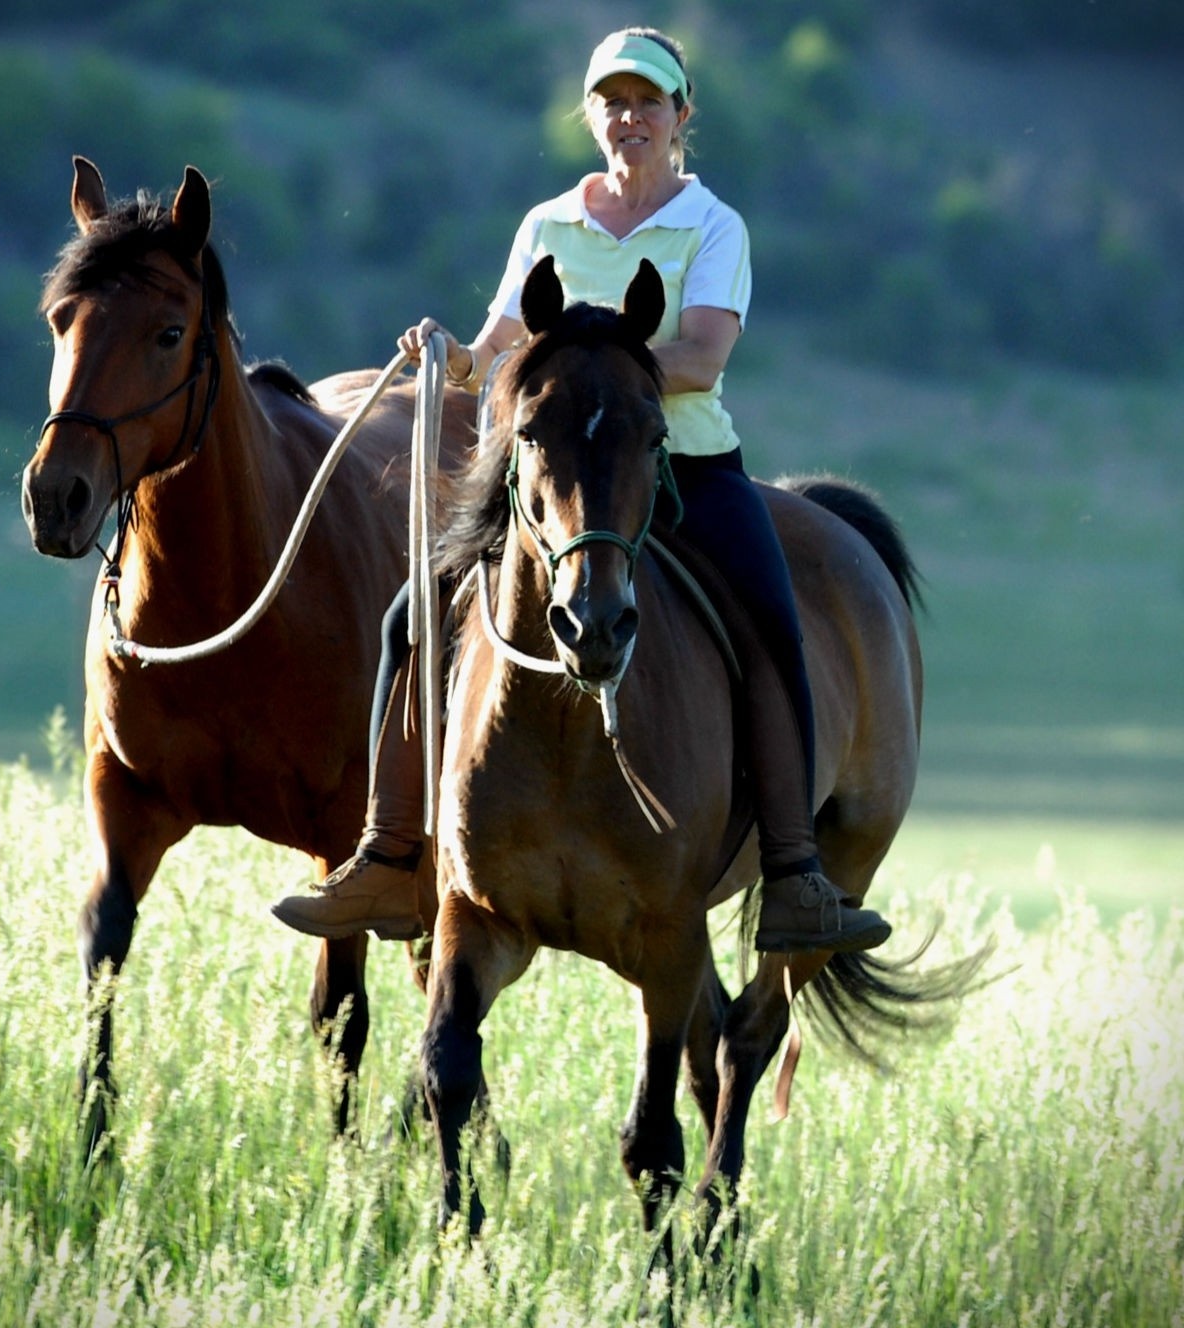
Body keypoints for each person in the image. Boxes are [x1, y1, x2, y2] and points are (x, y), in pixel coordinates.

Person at [274, 27, 891, 954]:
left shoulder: (713, 226)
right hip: (552, 476)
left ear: (681, 115)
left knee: (773, 624)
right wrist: (449, 355)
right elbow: (495, 351)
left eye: (647, 102)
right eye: (612, 102)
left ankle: (796, 873)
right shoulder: (548, 224)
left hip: (680, 467)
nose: (628, 118)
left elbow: (704, 355)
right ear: (591, 116)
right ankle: (389, 855)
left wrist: (590, 369)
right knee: (412, 617)